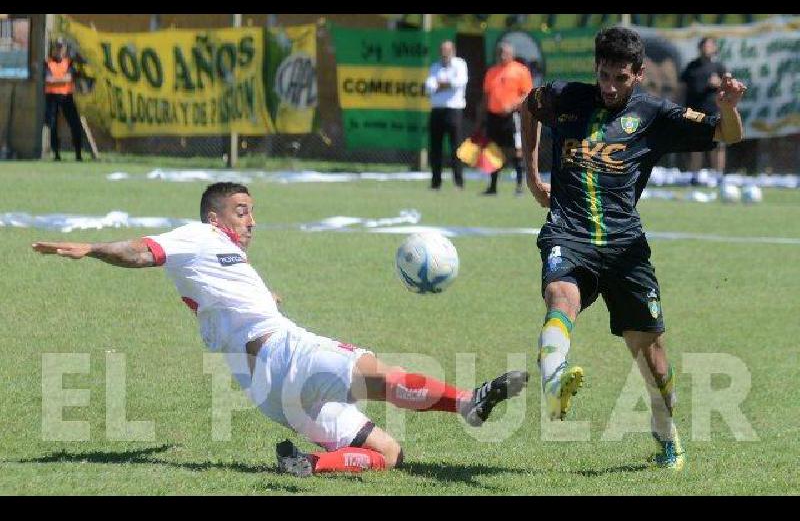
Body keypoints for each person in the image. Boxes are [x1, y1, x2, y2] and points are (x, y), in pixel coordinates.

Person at [31, 182, 528, 477]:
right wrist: (92, 249)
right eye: (241, 211)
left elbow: (222, 300)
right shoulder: (198, 235)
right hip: (285, 350)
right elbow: (142, 251)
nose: (251, 221)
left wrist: (266, 298)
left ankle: (311, 466)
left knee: (389, 454)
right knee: (376, 374)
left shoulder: (221, 263)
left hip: (264, 388)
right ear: (214, 215)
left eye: (252, 212)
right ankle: (469, 402)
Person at [521, 27, 745, 470]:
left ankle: (666, 436)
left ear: (638, 75)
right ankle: (553, 382)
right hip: (570, 232)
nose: (608, 86)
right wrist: (532, 175)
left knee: (655, 363)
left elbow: (728, 136)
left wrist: (728, 108)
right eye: (603, 75)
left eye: (619, 78)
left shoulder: (655, 114)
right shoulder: (565, 97)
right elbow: (528, 106)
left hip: (626, 248)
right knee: (560, 295)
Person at [476, 42, 533, 196]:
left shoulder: (520, 71)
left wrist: (513, 105)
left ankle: (519, 186)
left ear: (512, 54)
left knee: (517, 150)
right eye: (500, 52)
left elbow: (527, 94)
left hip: (512, 117)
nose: (502, 55)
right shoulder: (491, 72)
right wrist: (482, 117)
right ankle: (493, 187)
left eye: (505, 52)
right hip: (493, 117)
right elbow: (486, 96)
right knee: (493, 150)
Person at [680, 37, 728, 177]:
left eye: (709, 46)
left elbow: (729, 87)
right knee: (696, 145)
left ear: (714, 48)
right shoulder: (691, 66)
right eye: (704, 46)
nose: (706, 49)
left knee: (717, 144)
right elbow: (681, 88)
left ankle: (718, 177)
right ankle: (694, 177)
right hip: (694, 111)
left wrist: (719, 83)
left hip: (714, 111)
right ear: (699, 48)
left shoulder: (719, 67)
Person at [424, 40, 468, 190]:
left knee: (456, 148)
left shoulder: (460, 64)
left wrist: (441, 85)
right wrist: (445, 85)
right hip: (437, 111)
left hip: (453, 111)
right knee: (435, 148)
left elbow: (459, 82)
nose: (445, 53)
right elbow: (429, 88)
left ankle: (458, 182)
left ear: (453, 51)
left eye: (447, 50)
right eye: (442, 50)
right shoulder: (435, 67)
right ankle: (436, 183)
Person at [44, 37, 83, 162]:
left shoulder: (69, 62)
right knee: (53, 126)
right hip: (52, 97)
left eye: (62, 47)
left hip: (67, 97)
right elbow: (48, 79)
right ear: (54, 49)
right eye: (57, 47)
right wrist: (63, 79)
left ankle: (78, 154)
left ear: (65, 49)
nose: (59, 50)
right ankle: (56, 154)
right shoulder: (48, 62)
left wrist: (56, 79)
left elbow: (70, 77)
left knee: (75, 125)